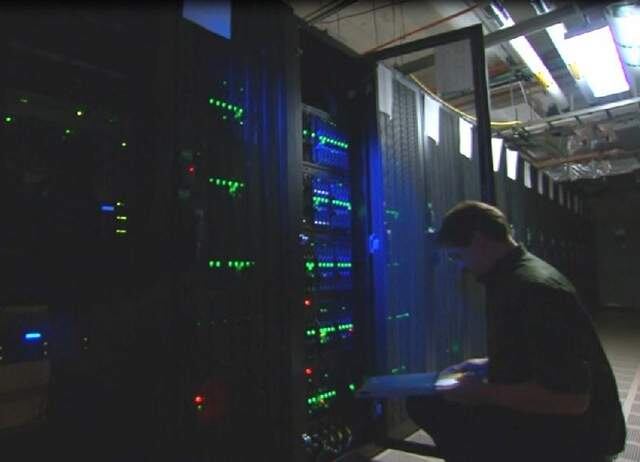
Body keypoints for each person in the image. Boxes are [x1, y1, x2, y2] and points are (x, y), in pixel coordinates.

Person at [406, 200, 626, 462]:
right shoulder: (517, 276)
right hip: (568, 422)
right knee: (425, 401)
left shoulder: (534, 289)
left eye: (458, 256)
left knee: (437, 409)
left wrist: (483, 393)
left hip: (578, 437)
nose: (461, 267)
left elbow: (573, 399)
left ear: (478, 240)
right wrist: (489, 365)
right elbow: (543, 355)